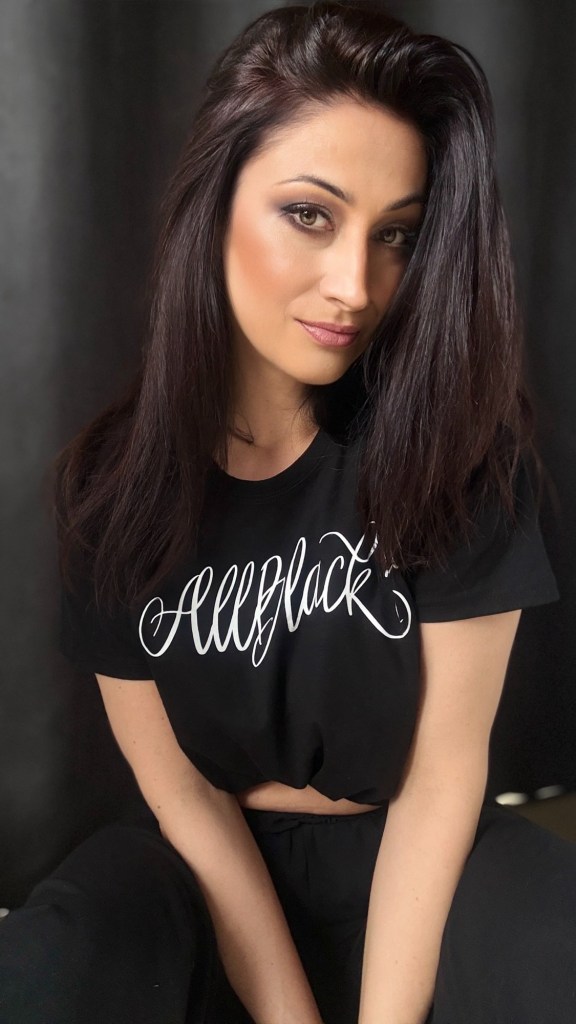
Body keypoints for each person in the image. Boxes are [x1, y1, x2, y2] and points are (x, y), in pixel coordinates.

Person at [1, 1, 574, 1022]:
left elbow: (444, 776)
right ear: (215, 202)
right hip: (211, 870)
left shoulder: (461, 456)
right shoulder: (112, 490)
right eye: (310, 214)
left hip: (419, 861)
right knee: (58, 960)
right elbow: (183, 793)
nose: (356, 285)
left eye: (395, 235)